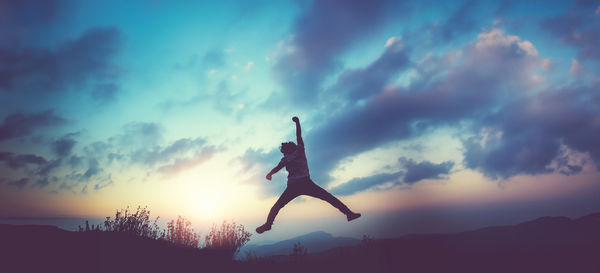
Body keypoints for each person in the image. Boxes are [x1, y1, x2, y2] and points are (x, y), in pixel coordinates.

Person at [256, 116, 361, 234]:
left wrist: (270, 174)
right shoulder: (296, 152)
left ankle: (268, 225)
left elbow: (278, 167)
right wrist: (297, 123)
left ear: (285, 150)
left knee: (277, 206)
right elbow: (298, 138)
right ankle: (348, 213)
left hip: (295, 185)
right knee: (328, 197)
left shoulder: (290, 156)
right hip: (304, 183)